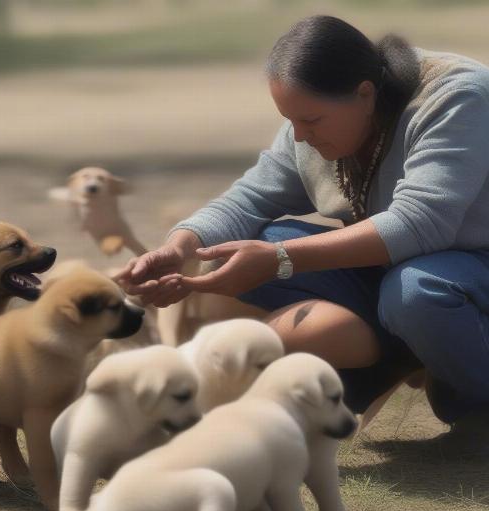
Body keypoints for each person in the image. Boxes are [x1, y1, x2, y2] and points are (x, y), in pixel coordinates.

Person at [117, 15, 489, 436]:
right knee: (254, 242)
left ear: (365, 95)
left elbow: (420, 223)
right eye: (290, 121)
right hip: (398, 270)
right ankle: (407, 352)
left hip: (467, 264)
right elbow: (249, 198)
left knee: (415, 292)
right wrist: (181, 248)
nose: (298, 137)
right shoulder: (322, 112)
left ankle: (474, 404)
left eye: (310, 122)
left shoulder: (457, 96)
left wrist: (279, 259)